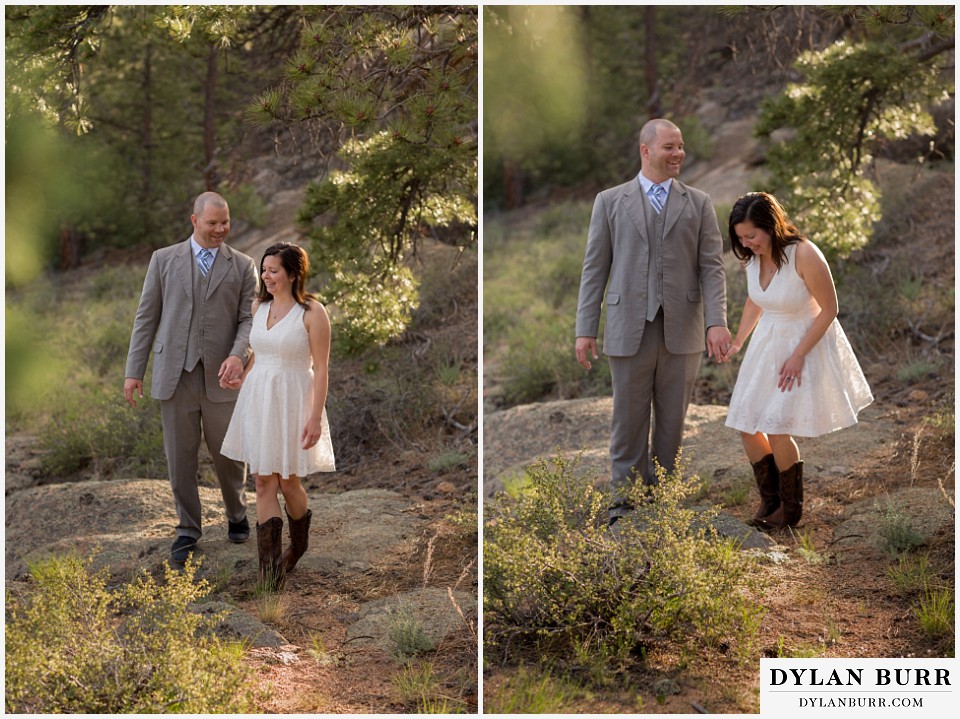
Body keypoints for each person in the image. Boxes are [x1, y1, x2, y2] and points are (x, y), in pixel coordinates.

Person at [575, 118, 732, 525]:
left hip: (684, 329)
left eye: (680, 146)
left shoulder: (698, 202)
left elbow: (712, 267)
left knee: (672, 424)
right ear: (646, 151)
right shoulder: (609, 201)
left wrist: (717, 322)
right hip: (628, 326)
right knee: (628, 421)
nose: (678, 153)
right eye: (669, 147)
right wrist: (585, 328)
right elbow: (595, 268)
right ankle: (625, 505)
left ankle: (664, 503)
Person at [721, 192, 873, 529]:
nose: (746, 244)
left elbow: (830, 309)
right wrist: (738, 341)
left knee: (776, 427)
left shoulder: (804, 254)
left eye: (752, 236)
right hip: (766, 346)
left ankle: (791, 510)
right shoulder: (751, 256)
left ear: (771, 226)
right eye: (740, 237)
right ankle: (770, 499)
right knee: (747, 426)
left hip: (803, 343)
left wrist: (799, 354)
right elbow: (755, 300)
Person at [124, 191, 258, 564]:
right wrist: (134, 371)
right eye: (213, 222)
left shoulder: (244, 265)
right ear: (194, 220)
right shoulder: (163, 260)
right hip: (174, 375)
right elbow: (146, 318)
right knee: (180, 458)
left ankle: (236, 513)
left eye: (225, 222)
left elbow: (249, 319)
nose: (220, 229)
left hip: (223, 375)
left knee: (228, 454)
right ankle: (187, 530)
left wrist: (238, 355)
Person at [220, 241, 335, 588]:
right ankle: (269, 576)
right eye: (264, 270)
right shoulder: (259, 307)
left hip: (294, 399)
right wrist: (243, 374)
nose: (266, 277)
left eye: (273, 271)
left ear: (292, 273)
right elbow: (259, 354)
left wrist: (314, 418)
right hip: (259, 399)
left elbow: (322, 368)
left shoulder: (312, 311)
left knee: (289, 481)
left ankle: (298, 545)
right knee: (262, 480)